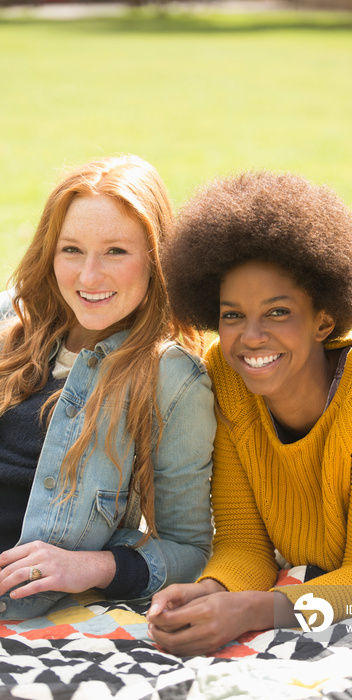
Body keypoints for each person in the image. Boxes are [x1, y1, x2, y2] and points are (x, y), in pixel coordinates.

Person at [147, 170, 352, 655]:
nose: (251, 337)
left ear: (323, 319)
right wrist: (212, 593)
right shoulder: (226, 375)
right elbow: (243, 544)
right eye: (232, 315)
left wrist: (254, 610)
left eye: (277, 312)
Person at [0, 155, 216, 620]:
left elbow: (188, 547)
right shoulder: (8, 324)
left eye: (116, 252)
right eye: (71, 250)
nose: (89, 277)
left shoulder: (174, 381)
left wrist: (90, 567)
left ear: (156, 260)